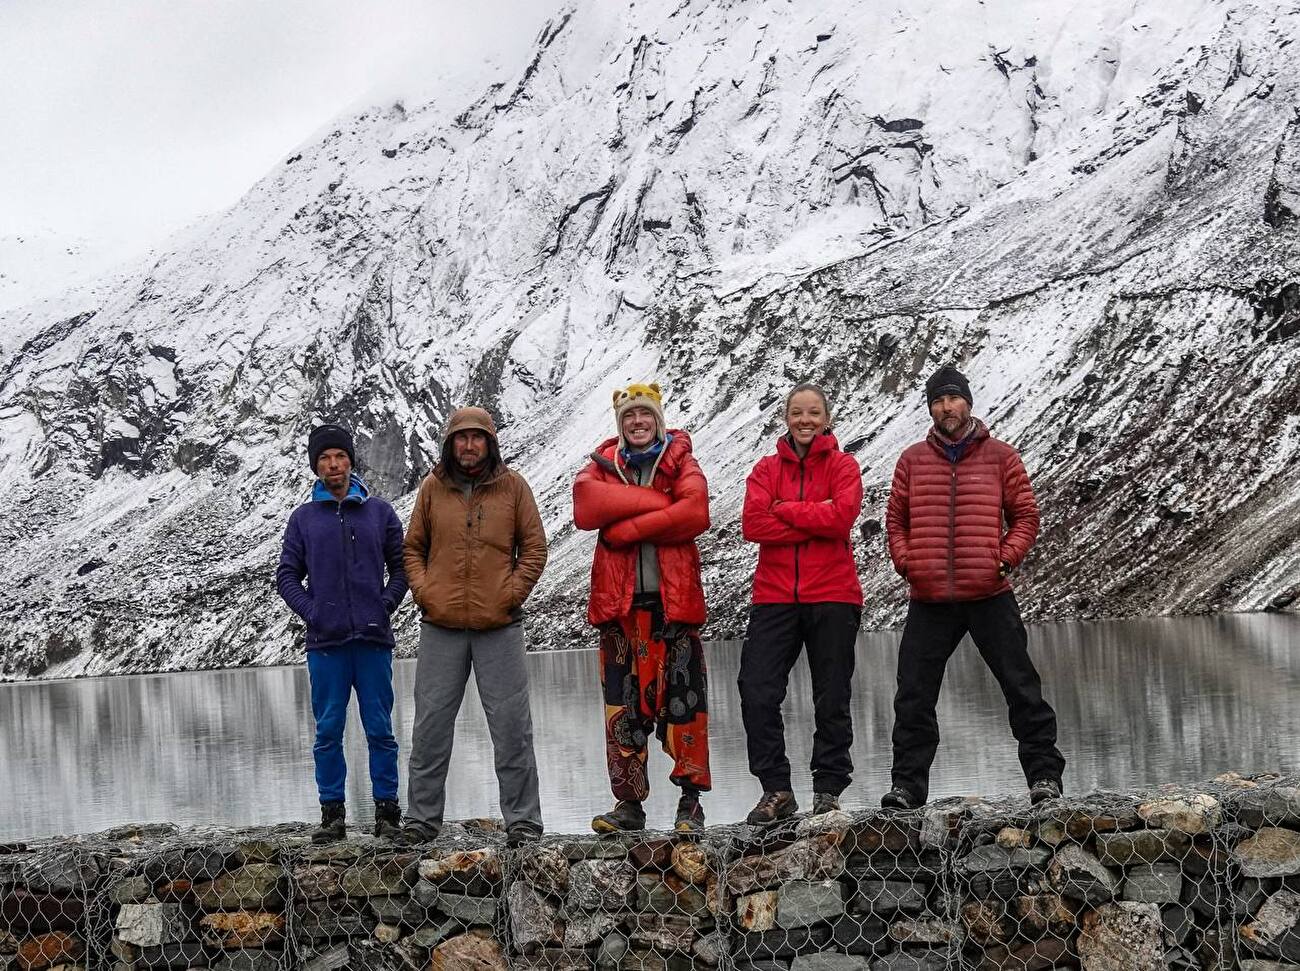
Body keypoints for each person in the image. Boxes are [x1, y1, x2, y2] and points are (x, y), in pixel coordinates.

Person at [881, 365, 1066, 810]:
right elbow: (896, 521)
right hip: (930, 598)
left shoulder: (1001, 457)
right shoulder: (911, 460)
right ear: (931, 408)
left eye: (953, 398)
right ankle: (907, 789)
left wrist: (1004, 558)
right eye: (938, 400)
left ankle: (1044, 777)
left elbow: (1026, 517)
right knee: (913, 696)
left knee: (1021, 687)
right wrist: (908, 564)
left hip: (988, 593)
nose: (946, 407)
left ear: (968, 402)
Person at [400, 407, 549, 847]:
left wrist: (510, 594)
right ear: (450, 443)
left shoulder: (514, 488)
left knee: (512, 728)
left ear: (490, 443)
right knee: (430, 727)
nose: (469, 445)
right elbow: (412, 549)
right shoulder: (432, 488)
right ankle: (421, 820)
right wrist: (426, 592)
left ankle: (523, 823)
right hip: (441, 626)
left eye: (477, 437)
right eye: (461, 438)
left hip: (499, 626)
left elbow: (535, 548)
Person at [572, 383, 712, 834]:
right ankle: (629, 804)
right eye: (629, 416)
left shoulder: (681, 461)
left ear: (658, 419)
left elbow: (696, 513)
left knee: (685, 705)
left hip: (673, 605)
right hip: (621, 609)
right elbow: (586, 506)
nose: (637, 422)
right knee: (623, 710)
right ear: (620, 423)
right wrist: (662, 506)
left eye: (645, 414)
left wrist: (628, 528)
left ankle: (690, 803)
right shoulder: (603, 465)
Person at [275, 423, 408, 843]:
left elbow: (403, 568)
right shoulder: (303, 519)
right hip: (326, 644)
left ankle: (387, 813)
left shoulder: (380, 513)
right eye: (325, 458)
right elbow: (286, 577)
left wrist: (384, 606)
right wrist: (313, 612)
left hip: (372, 641)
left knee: (380, 730)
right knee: (328, 731)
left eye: (340, 457)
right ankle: (332, 815)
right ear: (316, 466)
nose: (334, 464)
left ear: (351, 461)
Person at [738, 383, 864, 825]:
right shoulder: (766, 468)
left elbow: (841, 518)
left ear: (826, 419)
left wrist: (785, 509)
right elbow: (753, 524)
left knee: (832, 695)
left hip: (833, 594)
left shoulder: (844, 466)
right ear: (786, 418)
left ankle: (828, 788)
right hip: (774, 596)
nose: (805, 420)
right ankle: (777, 789)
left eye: (813, 412)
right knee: (756, 690)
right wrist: (815, 513)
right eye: (797, 412)